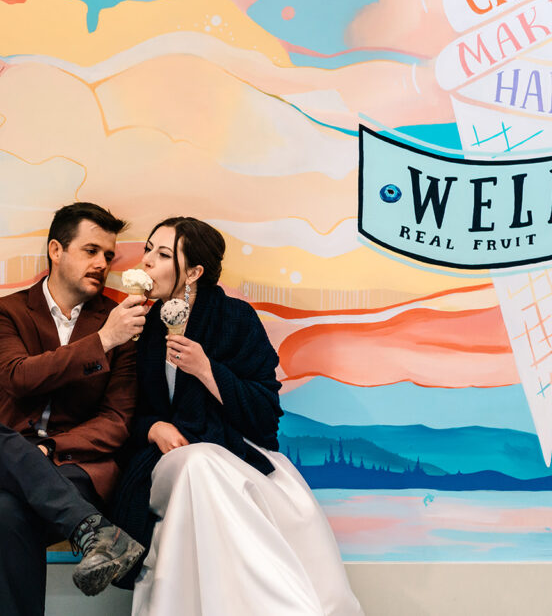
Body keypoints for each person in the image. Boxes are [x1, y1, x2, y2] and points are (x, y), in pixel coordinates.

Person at [113, 217, 364, 616]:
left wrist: (207, 369)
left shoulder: (235, 319)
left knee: (215, 471)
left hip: (234, 451)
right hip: (166, 461)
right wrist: (154, 427)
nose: (146, 262)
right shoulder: (137, 325)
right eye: (148, 249)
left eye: (163, 254)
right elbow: (122, 414)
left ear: (193, 272)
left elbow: (266, 416)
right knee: (198, 463)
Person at [0, 202, 147, 616]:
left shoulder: (120, 322)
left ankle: (93, 530)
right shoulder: (1, 312)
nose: (102, 263)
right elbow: (19, 376)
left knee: (7, 511)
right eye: (91, 250)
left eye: (108, 256)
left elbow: (116, 421)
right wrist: (103, 342)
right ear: (56, 250)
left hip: (76, 469)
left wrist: (51, 448)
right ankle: (93, 530)